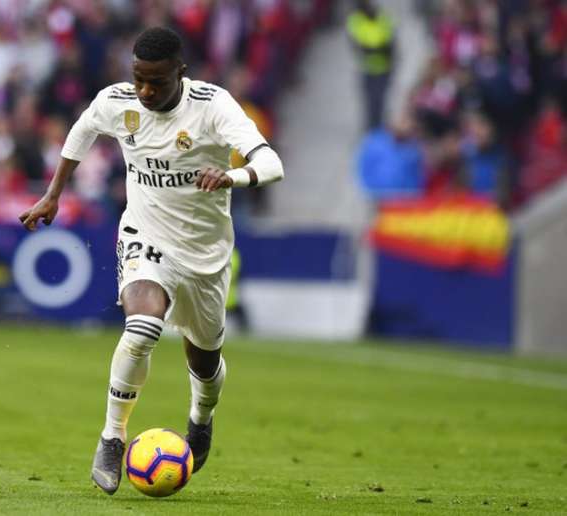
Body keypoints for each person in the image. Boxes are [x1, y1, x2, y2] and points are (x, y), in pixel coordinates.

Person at [19, 27, 284, 495]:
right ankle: (111, 437)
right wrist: (53, 194)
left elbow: (271, 164)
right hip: (145, 235)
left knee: (205, 360)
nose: (145, 91)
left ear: (180, 72)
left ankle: (201, 421)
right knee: (142, 328)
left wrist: (232, 176)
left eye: (156, 82)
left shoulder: (212, 105)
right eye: (138, 78)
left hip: (205, 253)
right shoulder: (119, 101)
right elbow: (82, 131)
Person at [347, 0, 396, 130]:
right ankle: (371, 128)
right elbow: (356, 44)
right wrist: (374, 48)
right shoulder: (355, 20)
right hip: (367, 67)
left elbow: (390, 42)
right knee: (370, 100)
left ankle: (377, 127)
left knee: (379, 99)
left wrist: (374, 49)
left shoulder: (383, 18)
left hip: (384, 67)